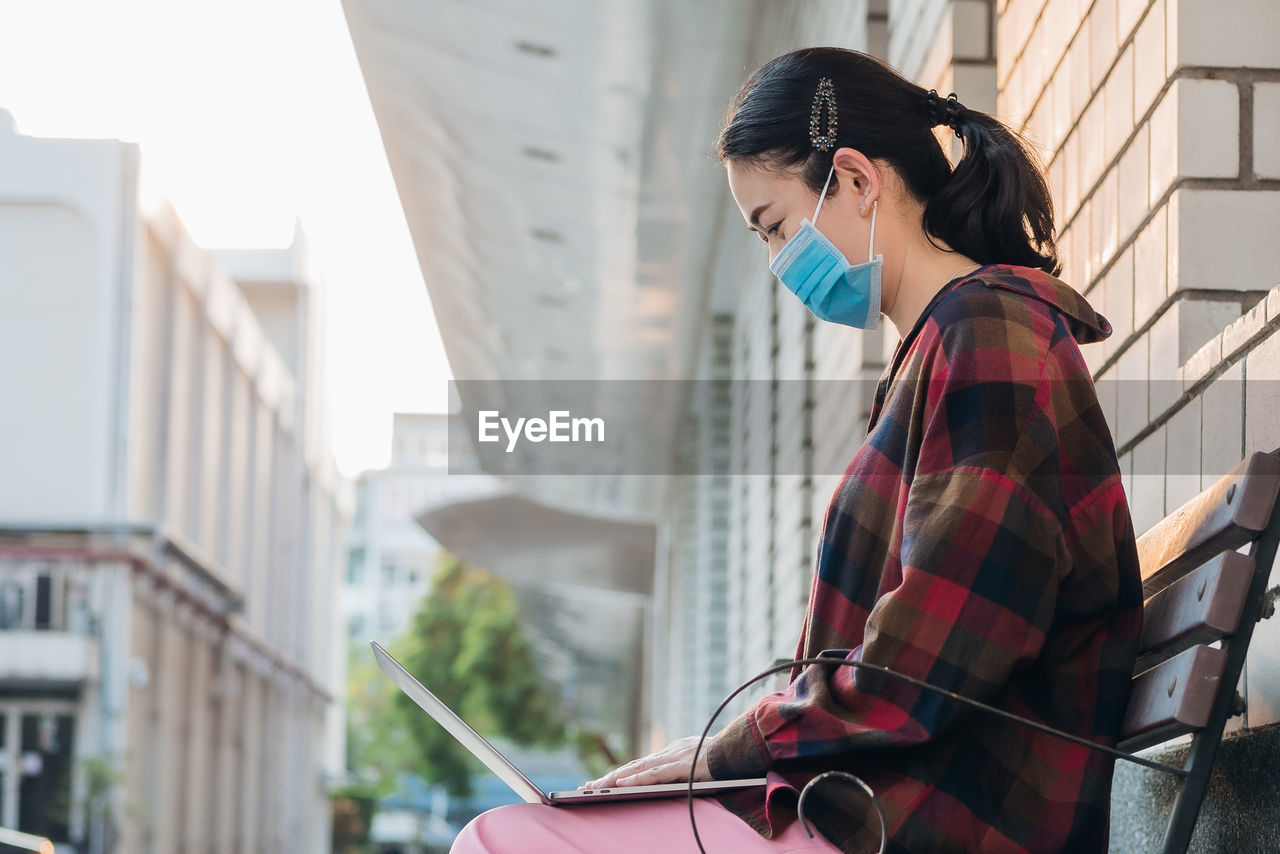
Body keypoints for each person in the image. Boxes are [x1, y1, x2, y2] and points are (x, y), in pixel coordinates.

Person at [451, 45, 1142, 854]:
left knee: (511, 841)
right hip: (877, 808)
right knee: (534, 831)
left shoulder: (989, 334)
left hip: (927, 822)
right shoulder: (949, 345)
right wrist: (731, 759)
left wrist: (732, 750)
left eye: (774, 227)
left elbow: (924, 664)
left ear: (855, 180)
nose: (781, 263)